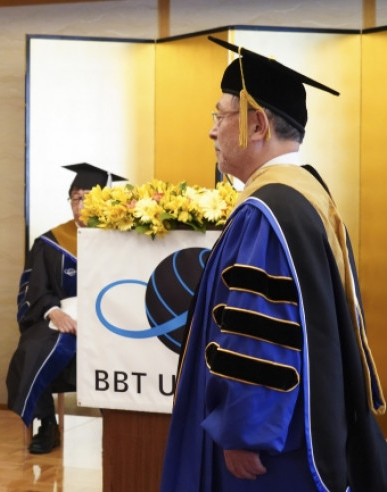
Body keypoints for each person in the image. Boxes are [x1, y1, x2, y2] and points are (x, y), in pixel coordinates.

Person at [160, 36, 387, 491]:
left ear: (257, 124)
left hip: (271, 449)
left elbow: (260, 329)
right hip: (296, 423)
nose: (212, 132)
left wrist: (244, 430)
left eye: (220, 116)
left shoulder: (267, 212)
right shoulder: (305, 195)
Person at [6, 163, 126, 454]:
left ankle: (120, 425)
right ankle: (47, 423)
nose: (80, 205)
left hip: (107, 322)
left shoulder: (122, 239)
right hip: (61, 320)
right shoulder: (51, 242)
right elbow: (35, 289)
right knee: (32, 348)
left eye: (88, 198)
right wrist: (53, 312)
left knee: (121, 352)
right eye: (75, 198)